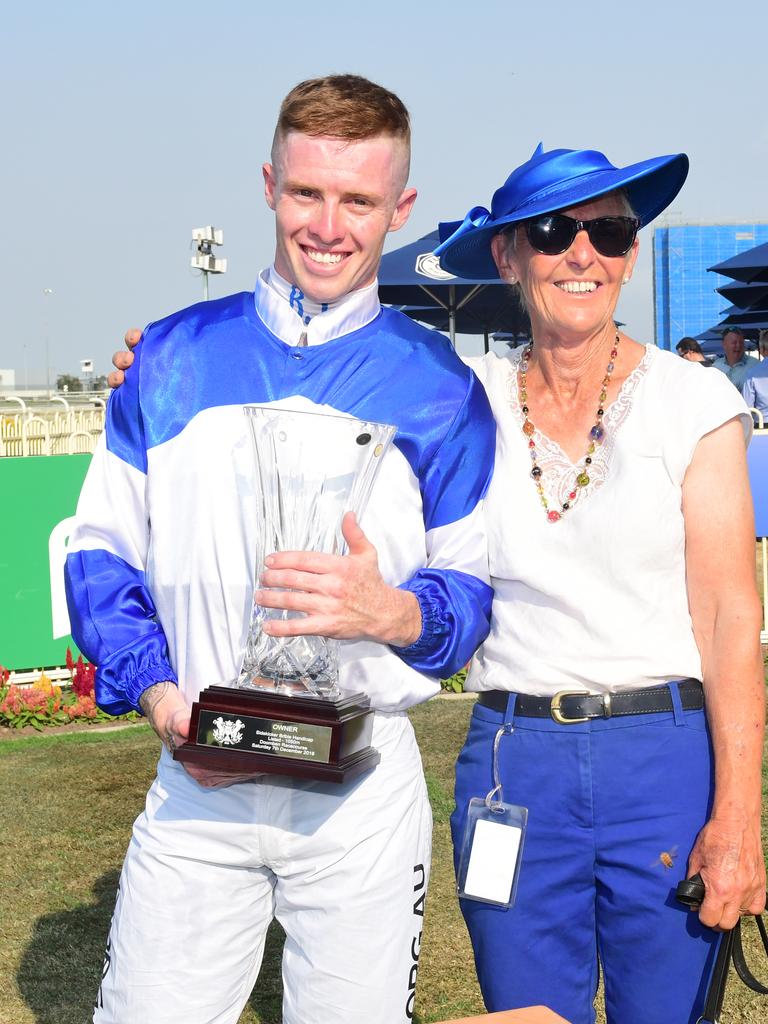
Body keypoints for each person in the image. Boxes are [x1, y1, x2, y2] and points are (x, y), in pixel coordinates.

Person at [65, 74, 496, 1024]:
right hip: (199, 776)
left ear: (400, 207)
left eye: (359, 201)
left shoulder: (442, 389)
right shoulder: (171, 358)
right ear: (269, 184)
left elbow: (469, 598)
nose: (329, 226)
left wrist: (391, 612)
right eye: (308, 193)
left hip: (361, 797)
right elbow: (99, 553)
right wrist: (158, 689)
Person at [435, 144, 766, 1024]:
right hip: (512, 766)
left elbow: (734, 617)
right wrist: (152, 363)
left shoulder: (695, 402)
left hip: (663, 761)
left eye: (610, 231)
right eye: (553, 232)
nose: (584, 253)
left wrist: (737, 818)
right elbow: (321, 378)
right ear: (507, 255)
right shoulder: (460, 399)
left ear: (628, 252)